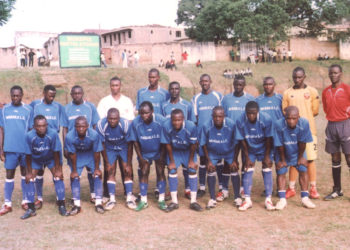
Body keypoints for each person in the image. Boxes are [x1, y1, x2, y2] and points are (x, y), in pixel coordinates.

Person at [282, 67, 320, 199]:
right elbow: (285, 112)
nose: (297, 80)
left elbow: (315, 111)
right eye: (295, 77)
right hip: (292, 132)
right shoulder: (287, 93)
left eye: (299, 77)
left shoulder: (312, 91)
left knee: (309, 159)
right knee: (294, 159)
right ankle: (291, 188)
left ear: (304, 76)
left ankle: (313, 188)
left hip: (309, 131)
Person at [22, 115, 68, 219]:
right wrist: (29, 172)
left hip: (50, 157)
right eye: (38, 126)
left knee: (58, 177)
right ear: (34, 126)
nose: (41, 128)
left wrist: (58, 169)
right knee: (29, 179)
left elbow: (56, 152)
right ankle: (31, 208)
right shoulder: (29, 136)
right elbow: (28, 155)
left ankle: (61, 205)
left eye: (43, 126)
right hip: (36, 159)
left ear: (47, 125)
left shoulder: (52, 134)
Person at [63, 85, 100, 203]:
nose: (77, 95)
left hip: (89, 146)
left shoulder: (90, 107)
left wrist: (95, 140)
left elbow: (95, 125)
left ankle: (93, 194)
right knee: (74, 172)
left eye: (79, 93)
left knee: (92, 170)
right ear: (71, 95)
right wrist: (65, 146)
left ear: (82, 93)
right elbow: (64, 128)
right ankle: (76, 199)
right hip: (74, 145)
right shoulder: (66, 108)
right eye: (74, 93)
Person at [274, 106, 316, 209]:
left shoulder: (304, 123)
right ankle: (282, 200)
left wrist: (300, 157)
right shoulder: (278, 124)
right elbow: (279, 144)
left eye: (294, 118)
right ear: (285, 117)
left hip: (298, 151)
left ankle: (305, 198)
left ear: (298, 117)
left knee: (303, 169)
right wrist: (283, 160)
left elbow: (303, 141)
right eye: (288, 118)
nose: (291, 121)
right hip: (282, 151)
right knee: (281, 171)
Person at [30, 85, 65, 209]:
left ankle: (60, 200)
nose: (52, 98)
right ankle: (39, 199)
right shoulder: (35, 105)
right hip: (39, 142)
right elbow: (25, 111)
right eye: (50, 95)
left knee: (57, 172)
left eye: (54, 95)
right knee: (38, 172)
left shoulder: (58, 106)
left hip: (53, 141)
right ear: (44, 93)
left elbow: (68, 114)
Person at [0, 85, 33, 216]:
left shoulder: (28, 110)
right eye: (13, 95)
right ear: (10, 96)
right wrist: (0, 149)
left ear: (22, 95)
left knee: (25, 175)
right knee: (9, 175)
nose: (15, 98)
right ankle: (7, 203)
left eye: (18, 95)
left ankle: (25, 200)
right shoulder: (4, 110)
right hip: (9, 148)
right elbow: (1, 130)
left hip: (24, 149)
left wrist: (31, 149)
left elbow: (31, 130)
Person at [235, 101, 275, 211]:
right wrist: (247, 156)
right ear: (245, 112)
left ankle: (268, 199)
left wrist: (267, 156)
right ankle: (247, 200)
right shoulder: (240, 120)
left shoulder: (266, 119)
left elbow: (269, 138)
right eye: (248, 113)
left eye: (253, 113)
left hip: (264, 147)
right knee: (247, 169)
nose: (251, 116)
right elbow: (241, 139)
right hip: (250, 148)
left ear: (258, 112)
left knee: (267, 168)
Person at [161, 109, 203, 212]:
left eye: (179, 120)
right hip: (175, 151)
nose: (176, 122)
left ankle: (193, 201)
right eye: (174, 120)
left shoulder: (191, 126)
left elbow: (194, 144)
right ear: (171, 119)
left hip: (188, 151)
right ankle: (174, 202)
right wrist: (171, 161)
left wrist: (191, 161)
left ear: (183, 119)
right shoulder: (166, 126)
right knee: (172, 170)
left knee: (192, 170)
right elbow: (167, 144)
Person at [128, 101, 167, 211]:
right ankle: (144, 201)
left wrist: (162, 156)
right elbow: (135, 141)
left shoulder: (161, 121)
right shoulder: (136, 122)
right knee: (144, 172)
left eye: (147, 113)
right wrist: (140, 157)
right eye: (142, 113)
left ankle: (161, 199)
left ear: (152, 112)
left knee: (160, 172)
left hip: (159, 151)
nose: (144, 115)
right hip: (144, 152)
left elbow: (165, 140)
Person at [199, 107, 241, 208]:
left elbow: (237, 142)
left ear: (224, 116)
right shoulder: (206, 125)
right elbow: (203, 144)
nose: (217, 119)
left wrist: (235, 160)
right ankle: (212, 199)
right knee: (210, 169)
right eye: (215, 116)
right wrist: (208, 161)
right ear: (212, 117)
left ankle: (237, 197)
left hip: (228, 152)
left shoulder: (231, 124)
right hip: (213, 153)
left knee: (234, 168)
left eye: (220, 116)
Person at [97, 108, 136, 210]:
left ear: (119, 118)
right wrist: (107, 162)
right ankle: (112, 199)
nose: (112, 121)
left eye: (115, 119)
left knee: (127, 170)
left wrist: (128, 163)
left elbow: (130, 144)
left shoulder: (126, 124)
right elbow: (102, 144)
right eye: (110, 119)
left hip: (123, 147)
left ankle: (129, 198)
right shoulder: (101, 125)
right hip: (110, 148)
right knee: (110, 170)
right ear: (107, 117)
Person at [162, 82, 196, 199]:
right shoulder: (164, 106)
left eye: (177, 89)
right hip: (172, 142)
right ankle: (172, 192)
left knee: (188, 168)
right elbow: (164, 124)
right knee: (171, 167)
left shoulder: (187, 105)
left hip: (186, 142)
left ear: (179, 90)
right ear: (169, 90)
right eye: (172, 89)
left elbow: (192, 123)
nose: (174, 91)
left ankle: (188, 189)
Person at [65, 116, 104, 215]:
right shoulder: (70, 136)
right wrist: (74, 171)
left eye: (83, 126)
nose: (81, 129)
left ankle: (98, 202)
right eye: (78, 126)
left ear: (87, 126)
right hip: (78, 155)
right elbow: (72, 154)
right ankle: (76, 204)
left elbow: (96, 152)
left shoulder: (94, 134)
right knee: (75, 177)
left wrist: (97, 168)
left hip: (90, 154)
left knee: (97, 174)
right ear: (75, 127)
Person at [322, 64, 350, 200]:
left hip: (345, 124)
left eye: (336, 73)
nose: (333, 75)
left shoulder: (347, 89)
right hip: (331, 125)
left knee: (349, 158)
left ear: (341, 74)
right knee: (335, 158)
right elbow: (326, 109)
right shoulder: (325, 91)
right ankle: (337, 190)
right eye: (331, 73)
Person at [192, 74, 222, 198]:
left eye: (206, 81)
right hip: (202, 135)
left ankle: (220, 187)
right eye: (202, 81)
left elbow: (222, 114)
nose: (204, 83)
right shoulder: (196, 98)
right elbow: (195, 119)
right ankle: (202, 187)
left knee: (218, 160)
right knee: (203, 160)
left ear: (211, 82)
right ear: (199, 82)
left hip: (216, 134)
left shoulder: (218, 96)